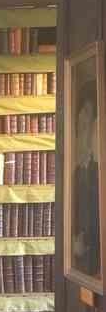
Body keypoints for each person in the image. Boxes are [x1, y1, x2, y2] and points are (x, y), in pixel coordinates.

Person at [72, 79, 100, 277]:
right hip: (78, 262)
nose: (81, 133)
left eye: (86, 125)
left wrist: (86, 240)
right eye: (79, 125)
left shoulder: (99, 173)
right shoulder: (73, 174)